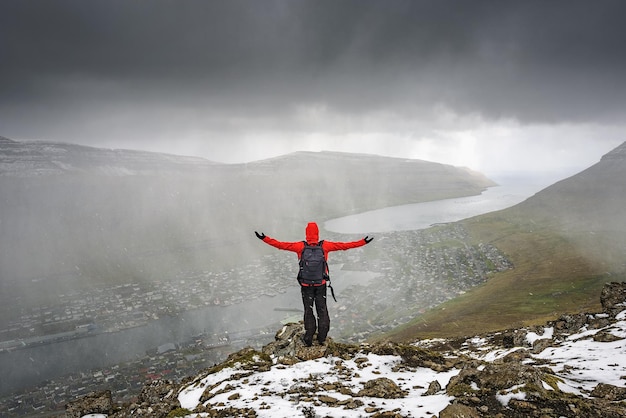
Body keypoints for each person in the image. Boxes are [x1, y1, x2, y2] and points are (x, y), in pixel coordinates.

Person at [255, 222, 373, 346]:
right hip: (320, 284)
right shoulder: (325, 246)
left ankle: (309, 337)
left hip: (306, 286)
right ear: (317, 233)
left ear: (307, 234)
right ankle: (322, 337)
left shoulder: (300, 246)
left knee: (308, 310)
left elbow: (280, 245)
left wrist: (264, 238)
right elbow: (344, 246)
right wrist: (363, 242)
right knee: (322, 310)